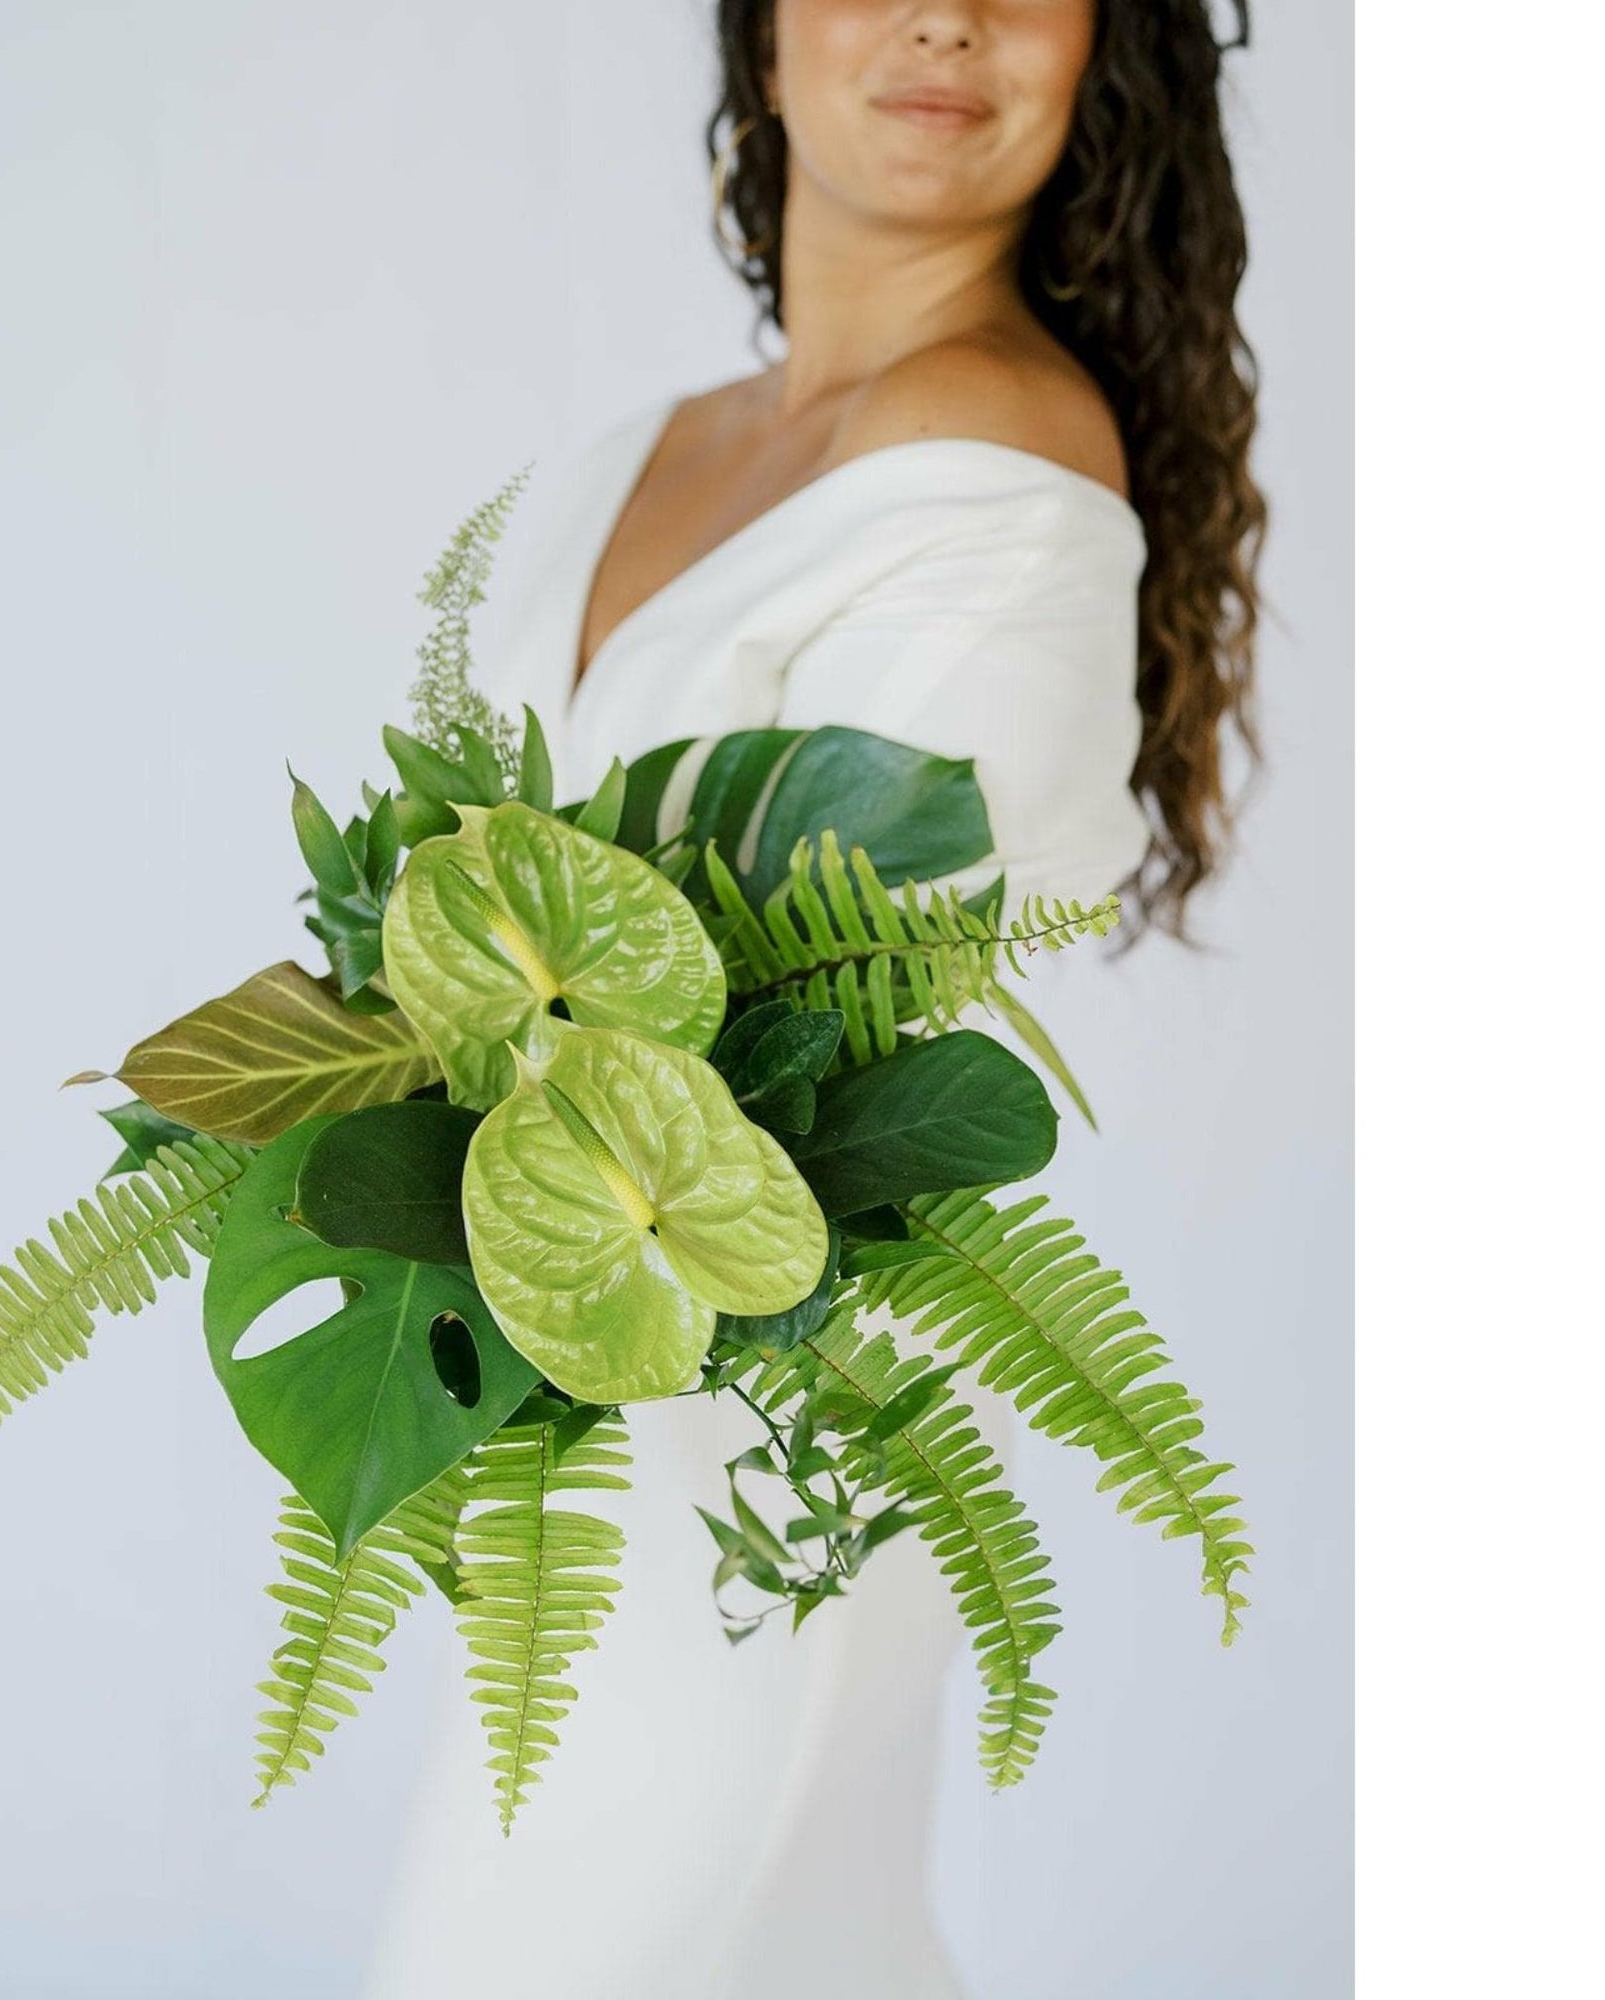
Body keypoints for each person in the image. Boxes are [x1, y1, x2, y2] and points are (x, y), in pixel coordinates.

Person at [362, 5, 1263, 1995]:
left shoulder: (1004, 460)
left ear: (1102, 53)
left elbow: (824, 1047)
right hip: (554, 1471)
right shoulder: (635, 458)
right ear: (764, 38)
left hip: (758, 1470)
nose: (943, 14)